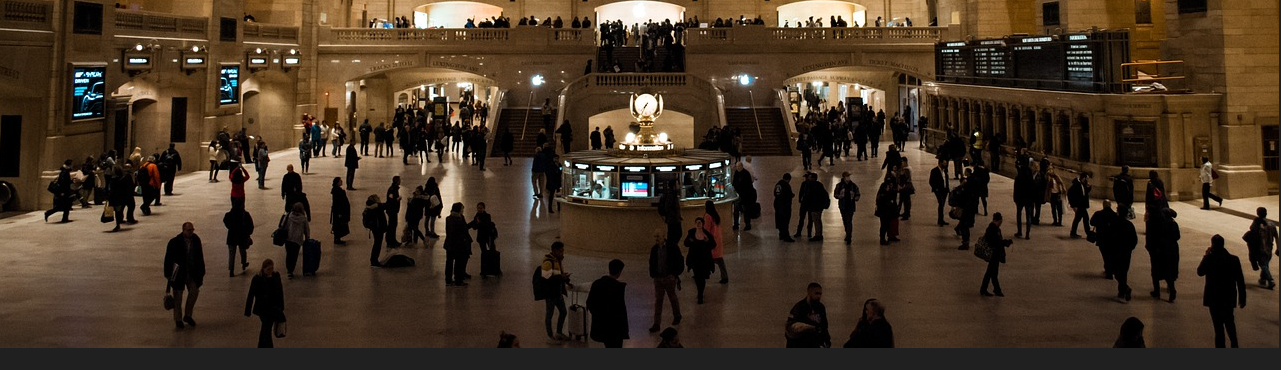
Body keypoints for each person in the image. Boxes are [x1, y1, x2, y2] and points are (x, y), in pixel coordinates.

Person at [1196, 235, 1247, 348]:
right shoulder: (1234, 259)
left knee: (1218, 327)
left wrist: (1205, 255)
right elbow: (1240, 280)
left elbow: (1200, 272)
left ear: (1212, 245)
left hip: (1214, 298)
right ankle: (1234, 344)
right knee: (1230, 322)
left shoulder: (1210, 259)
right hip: (1228, 297)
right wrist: (1242, 298)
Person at [164, 222, 205, 329]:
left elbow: (200, 257)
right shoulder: (174, 242)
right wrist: (168, 274)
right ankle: (178, 319)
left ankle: (188, 315)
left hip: (191, 272)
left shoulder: (196, 240)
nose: (191, 232)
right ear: (183, 230)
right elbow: (168, 259)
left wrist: (201, 272)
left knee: (194, 291)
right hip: (178, 273)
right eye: (188, 230)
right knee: (178, 296)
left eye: (192, 230)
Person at [584, 259, 628, 348]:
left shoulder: (597, 283)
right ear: (619, 272)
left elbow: (589, 303)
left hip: (601, 326)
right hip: (614, 329)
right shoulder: (618, 288)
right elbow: (621, 310)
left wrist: (598, 316)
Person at [648, 228, 684, 333]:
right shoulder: (654, 249)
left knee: (672, 297)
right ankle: (656, 323)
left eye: (658, 236)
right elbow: (652, 262)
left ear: (663, 236)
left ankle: (677, 315)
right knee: (658, 301)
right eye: (655, 236)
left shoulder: (672, 247)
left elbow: (679, 260)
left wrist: (675, 274)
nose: (656, 238)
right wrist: (653, 275)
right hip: (658, 278)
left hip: (669, 277)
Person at [536, 241, 573, 342]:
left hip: (558, 292)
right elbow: (546, 279)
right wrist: (561, 277)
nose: (562, 253)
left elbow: (558, 274)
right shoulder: (548, 262)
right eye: (560, 251)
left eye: (562, 251)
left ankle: (559, 333)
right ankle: (550, 336)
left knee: (563, 312)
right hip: (550, 294)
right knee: (549, 314)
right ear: (554, 251)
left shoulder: (557, 260)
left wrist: (567, 281)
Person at [244, 259, 285, 348]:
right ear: (263, 269)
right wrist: (248, 310)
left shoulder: (276, 276)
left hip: (273, 307)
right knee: (267, 327)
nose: (270, 271)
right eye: (268, 269)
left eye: (272, 268)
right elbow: (251, 294)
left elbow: (280, 292)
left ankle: (262, 346)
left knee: (266, 328)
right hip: (263, 309)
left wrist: (281, 307)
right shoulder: (257, 279)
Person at [1105, 204, 1138, 302]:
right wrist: (1130, 248)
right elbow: (1134, 239)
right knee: (1123, 272)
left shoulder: (1114, 223)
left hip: (1116, 251)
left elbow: (1109, 237)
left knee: (1116, 271)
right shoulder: (1129, 225)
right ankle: (1122, 291)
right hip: (1126, 252)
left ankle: (1125, 289)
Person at [1147, 208, 1181, 302]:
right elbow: (1178, 236)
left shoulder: (1160, 224)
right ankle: (1172, 289)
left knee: (1156, 270)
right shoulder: (1174, 224)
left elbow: (1155, 236)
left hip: (1162, 250)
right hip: (1173, 249)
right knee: (1169, 271)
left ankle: (1156, 291)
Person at [785, 283, 831, 348]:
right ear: (809, 292)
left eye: (820, 294)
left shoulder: (820, 307)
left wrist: (827, 342)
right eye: (816, 293)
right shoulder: (799, 307)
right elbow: (791, 329)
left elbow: (824, 327)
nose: (819, 296)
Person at [980, 213, 1014, 297]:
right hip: (994, 254)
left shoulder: (993, 228)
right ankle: (989, 289)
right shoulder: (993, 229)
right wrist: (1006, 242)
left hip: (994, 254)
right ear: (998, 220)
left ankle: (993, 289)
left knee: (992, 272)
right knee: (991, 273)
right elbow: (996, 242)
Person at [684, 218, 715, 304]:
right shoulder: (691, 233)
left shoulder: (707, 234)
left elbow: (713, 244)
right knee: (698, 278)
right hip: (695, 260)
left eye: (700, 222)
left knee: (702, 278)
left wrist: (707, 241)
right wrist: (690, 241)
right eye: (697, 222)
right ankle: (700, 293)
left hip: (704, 260)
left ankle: (700, 293)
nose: (698, 224)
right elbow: (685, 243)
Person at [1246, 207, 1277, 289]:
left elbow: (1252, 233)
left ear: (1257, 213)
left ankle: (1270, 280)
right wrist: (1278, 248)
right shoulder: (1272, 224)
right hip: (1270, 248)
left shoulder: (1257, 224)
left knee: (1263, 265)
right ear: (1266, 213)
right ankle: (1262, 279)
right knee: (1265, 264)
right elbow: (1277, 237)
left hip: (1261, 248)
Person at [444, 202, 473, 286]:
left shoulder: (449, 218)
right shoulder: (458, 219)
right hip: (458, 245)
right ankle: (458, 280)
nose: (463, 210)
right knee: (458, 263)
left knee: (449, 263)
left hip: (449, 244)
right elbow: (463, 230)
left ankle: (448, 280)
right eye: (462, 209)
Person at [222, 203, 254, 277]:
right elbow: (250, 225)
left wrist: (230, 227)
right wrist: (248, 233)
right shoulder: (245, 214)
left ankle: (231, 270)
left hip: (231, 237)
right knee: (242, 251)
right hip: (242, 236)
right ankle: (243, 263)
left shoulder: (229, 214)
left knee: (231, 254)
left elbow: (225, 221)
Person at [701, 200, 728, 284]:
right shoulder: (716, 216)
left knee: (705, 258)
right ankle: (725, 276)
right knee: (719, 259)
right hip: (717, 239)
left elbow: (706, 230)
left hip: (711, 241)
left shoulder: (708, 216)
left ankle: (703, 274)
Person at [1090, 200, 1119, 279]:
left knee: (1105, 255)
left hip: (1102, 238)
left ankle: (1108, 269)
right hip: (1112, 239)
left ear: (1103, 205)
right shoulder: (1115, 215)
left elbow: (1092, 222)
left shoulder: (1098, 214)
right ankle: (1111, 269)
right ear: (1110, 205)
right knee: (1111, 254)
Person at [796, 172, 827, 241]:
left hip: (812, 205)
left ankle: (813, 234)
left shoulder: (812, 185)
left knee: (813, 219)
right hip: (810, 204)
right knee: (811, 219)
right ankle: (802, 232)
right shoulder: (807, 184)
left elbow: (809, 195)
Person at [282, 203, 310, 279]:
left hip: (288, 239)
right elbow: (306, 230)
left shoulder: (289, 216)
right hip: (297, 240)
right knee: (294, 256)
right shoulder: (303, 219)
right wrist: (307, 239)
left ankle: (289, 270)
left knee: (288, 255)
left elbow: (284, 226)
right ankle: (291, 269)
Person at [834, 172, 861, 244]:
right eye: (847, 176)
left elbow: (857, 193)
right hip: (843, 206)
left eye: (849, 176)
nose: (848, 178)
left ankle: (849, 236)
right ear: (844, 177)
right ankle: (847, 232)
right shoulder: (839, 185)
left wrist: (856, 197)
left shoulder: (853, 185)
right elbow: (835, 194)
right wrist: (839, 196)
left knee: (849, 221)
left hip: (850, 206)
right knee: (845, 220)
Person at [362, 195, 388, 267]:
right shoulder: (377, 207)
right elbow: (386, 205)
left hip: (374, 228)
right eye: (378, 198)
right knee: (377, 244)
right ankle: (374, 260)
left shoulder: (370, 207)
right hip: (378, 228)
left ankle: (374, 260)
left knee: (376, 243)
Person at [875, 175, 900, 246]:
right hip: (884, 210)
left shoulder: (890, 188)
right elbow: (881, 199)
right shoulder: (884, 188)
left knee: (889, 224)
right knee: (884, 225)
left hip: (890, 210)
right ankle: (882, 239)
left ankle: (890, 236)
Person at [731, 162, 756, 231]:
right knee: (736, 211)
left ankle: (747, 224)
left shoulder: (746, 174)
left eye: (738, 166)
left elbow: (748, 186)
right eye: (736, 167)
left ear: (741, 166)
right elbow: (734, 183)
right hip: (738, 196)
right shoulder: (737, 173)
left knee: (746, 211)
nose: (737, 168)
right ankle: (736, 224)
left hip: (745, 196)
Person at [1067, 173, 1092, 238]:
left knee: (1078, 219)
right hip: (1079, 205)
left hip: (1082, 205)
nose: (1087, 180)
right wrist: (1073, 205)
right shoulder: (1076, 185)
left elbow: (1084, 192)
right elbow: (1070, 193)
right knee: (1084, 219)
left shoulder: (1083, 184)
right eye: (1086, 178)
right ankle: (1088, 233)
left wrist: (1089, 187)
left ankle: (1074, 232)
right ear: (1083, 178)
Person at [1013, 166, 1034, 239]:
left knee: (1019, 215)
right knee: (1028, 216)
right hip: (1028, 200)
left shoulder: (1018, 178)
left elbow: (1015, 190)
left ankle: (1019, 231)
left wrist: (1015, 199)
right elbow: (1033, 191)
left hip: (1020, 199)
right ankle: (1027, 233)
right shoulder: (1031, 180)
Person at [773, 173, 796, 242]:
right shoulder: (786, 185)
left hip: (777, 205)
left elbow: (775, 193)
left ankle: (781, 234)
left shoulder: (778, 184)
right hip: (785, 206)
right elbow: (789, 195)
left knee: (780, 220)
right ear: (789, 179)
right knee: (785, 221)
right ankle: (786, 236)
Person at [929, 159, 950, 226]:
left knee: (942, 204)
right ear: (940, 163)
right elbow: (931, 181)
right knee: (941, 203)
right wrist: (936, 189)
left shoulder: (945, 170)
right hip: (938, 190)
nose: (945, 164)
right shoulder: (934, 171)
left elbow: (946, 179)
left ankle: (941, 219)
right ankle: (940, 220)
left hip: (944, 190)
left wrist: (947, 188)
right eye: (944, 163)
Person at [330, 178, 350, 245]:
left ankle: (337, 238)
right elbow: (338, 202)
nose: (341, 182)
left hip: (338, 211)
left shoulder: (336, 190)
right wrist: (340, 212)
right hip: (339, 211)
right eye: (340, 181)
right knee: (338, 225)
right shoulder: (338, 191)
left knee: (338, 224)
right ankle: (337, 238)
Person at [384, 176, 402, 248]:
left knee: (394, 225)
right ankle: (390, 241)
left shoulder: (394, 188)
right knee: (391, 226)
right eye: (399, 180)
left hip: (394, 210)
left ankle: (393, 240)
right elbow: (391, 200)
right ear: (397, 181)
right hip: (392, 210)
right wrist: (397, 199)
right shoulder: (392, 190)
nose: (400, 181)